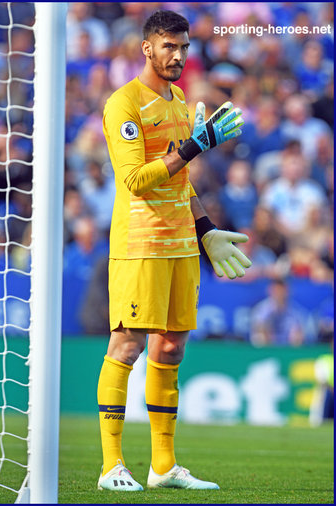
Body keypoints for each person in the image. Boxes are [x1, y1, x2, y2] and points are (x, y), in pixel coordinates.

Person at [97, 10, 252, 492]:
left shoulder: (183, 101)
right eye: (169, 47)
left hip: (181, 246)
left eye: (184, 47)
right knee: (127, 345)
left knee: (171, 348)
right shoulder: (124, 105)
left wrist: (205, 229)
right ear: (147, 48)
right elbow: (135, 180)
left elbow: (181, 181)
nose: (179, 56)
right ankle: (111, 466)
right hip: (139, 245)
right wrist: (192, 146)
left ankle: (163, 466)